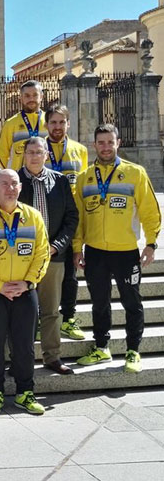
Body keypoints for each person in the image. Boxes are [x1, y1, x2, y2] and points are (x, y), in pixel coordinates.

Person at [73, 124, 161, 373]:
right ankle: (101, 347)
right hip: (96, 252)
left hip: (126, 252)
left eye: (110, 142)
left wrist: (151, 243)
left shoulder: (135, 173)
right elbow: (78, 219)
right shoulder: (84, 179)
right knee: (99, 303)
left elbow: (150, 212)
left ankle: (133, 350)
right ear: (94, 145)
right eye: (101, 142)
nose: (106, 147)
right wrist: (78, 249)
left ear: (118, 143)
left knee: (131, 301)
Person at [0, 169, 49, 415]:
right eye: (4, 183)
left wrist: (28, 283)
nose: (10, 188)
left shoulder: (33, 216)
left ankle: (25, 392)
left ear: (20, 187)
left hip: (25, 291)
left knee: (24, 345)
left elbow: (42, 253)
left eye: (14, 183)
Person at [18, 137, 78, 375]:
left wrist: (57, 246)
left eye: (39, 152)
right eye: (30, 152)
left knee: (52, 310)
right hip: (21, 259)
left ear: (46, 155)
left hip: (53, 257)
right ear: (24, 154)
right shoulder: (14, 180)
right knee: (23, 311)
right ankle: (21, 358)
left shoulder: (60, 182)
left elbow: (71, 217)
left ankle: (52, 356)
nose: (34, 156)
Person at [43, 104, 89, 341]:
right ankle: (42, 320)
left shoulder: (79, 150)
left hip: (71, 219)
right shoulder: (37, 148)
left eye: (62, 122)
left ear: (68, 124)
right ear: (46, 124)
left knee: (70, 273)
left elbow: (82, 186)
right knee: (42, 272)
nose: (57, 127)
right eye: (53, 122)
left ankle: (68, 319)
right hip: (44, 218)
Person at [0, 80, 48, 170]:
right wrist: (13, 175)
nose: (31, 99)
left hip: (46, 178)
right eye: (27, 96)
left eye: (35, 95)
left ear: (41, 97)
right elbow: (1, 155)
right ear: (21, 98)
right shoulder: (10, 123)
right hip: (20, 180)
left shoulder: (49, 121)